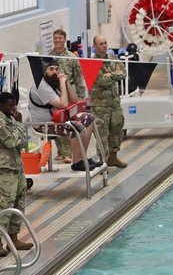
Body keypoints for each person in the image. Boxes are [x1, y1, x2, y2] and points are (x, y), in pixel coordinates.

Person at [27, 58, 96, 172]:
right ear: (45, 71)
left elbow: (74, 99)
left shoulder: (52, 84)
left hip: (56, 121)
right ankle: (77, 162)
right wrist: (62, 84)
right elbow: (63, 104)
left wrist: (67, 83)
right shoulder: (41, 86)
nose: (55, 72)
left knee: (88, 118)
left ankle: (82, 158)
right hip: (43, 126)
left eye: (56, 69)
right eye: (51, 69)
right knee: (76, 127)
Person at [0, 92, 32, 257]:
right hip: (4, 170)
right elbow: (11, 142)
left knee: (18, 203)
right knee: (4, 205)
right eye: (10, 105)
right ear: (1, 105)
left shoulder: (11, 120)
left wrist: (17, 127)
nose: (14, 109)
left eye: (15, 105)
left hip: (17, 167)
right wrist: (19, 126)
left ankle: (13, 238)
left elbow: (24, 142)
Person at [48, 28, 86, 164]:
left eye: (60, 38)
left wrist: (81, 98)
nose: (57, 40)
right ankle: (61, 152)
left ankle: (69, 153)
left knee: (68, 124)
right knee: (56, 122)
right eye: (55, 38)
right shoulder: (48, 57)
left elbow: (79, 79)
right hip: (54, 96)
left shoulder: (71, 58)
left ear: (64, 40)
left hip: (69, 95)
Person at [90, 35, 128, 168]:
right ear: (94, 46)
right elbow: (101, 81)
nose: (104, 46)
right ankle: (102, 161)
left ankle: (113, 157)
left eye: (105, 43)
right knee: (102, 135)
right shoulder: (91, 62)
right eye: (101, 44)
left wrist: (111, 74)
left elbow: (123, 73)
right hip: (100, 106)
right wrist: (115, 75)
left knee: (116, 130)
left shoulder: (113, 58)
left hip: (114, 103)